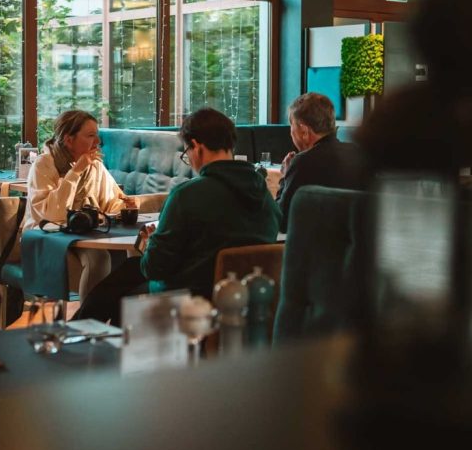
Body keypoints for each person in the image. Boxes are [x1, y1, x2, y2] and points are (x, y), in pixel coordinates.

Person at [77, 107, 280, 323]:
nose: (189, 160)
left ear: (197, 147)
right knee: (126, 273)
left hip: (192, 296)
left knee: (119, 293)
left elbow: (155, 267)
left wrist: (151, 241)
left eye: (186, 153)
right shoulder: (264, 195)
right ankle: (81, 330)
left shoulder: (188, 194)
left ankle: (83, 338)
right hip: (250, 296)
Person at [23, 110, 136, 300]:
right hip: (46, 234)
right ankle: (86, 321)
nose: (97, 142)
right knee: (98, 259)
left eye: (97, 135)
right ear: (69, 140)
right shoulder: (44, 164)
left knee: (136, 250)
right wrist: (75, 172)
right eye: (91, 136)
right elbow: (52, 214)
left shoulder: (94, 165)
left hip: (83, 231)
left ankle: (117, 318)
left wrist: (127, 205)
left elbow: (110, 202)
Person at [276, 92, 366, 233]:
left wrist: (284, 179)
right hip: (357, 246)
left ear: (304, 131)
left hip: (318, 250)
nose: (291, 132)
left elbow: (281, 221)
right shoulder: (358, 153)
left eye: (291, 126)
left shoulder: (303, 163)